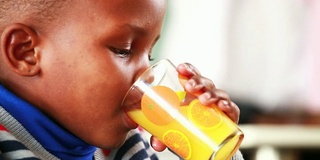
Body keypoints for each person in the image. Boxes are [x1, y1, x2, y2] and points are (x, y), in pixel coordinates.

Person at [0, 0, 244, 159]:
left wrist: (214, 149)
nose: (145, 74)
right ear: (26, 52)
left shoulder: (122, 146)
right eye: (123, 49)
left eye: (150, 55)